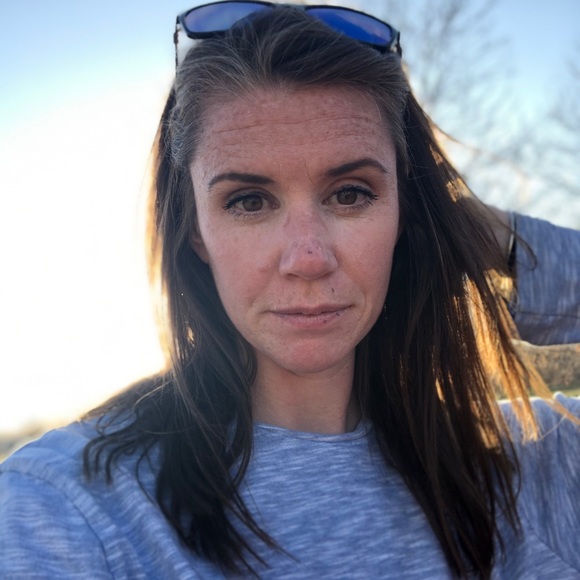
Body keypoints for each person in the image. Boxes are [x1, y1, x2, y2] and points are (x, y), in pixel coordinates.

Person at [1, 3, 579, 578]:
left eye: (350, 194)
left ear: (405, 212)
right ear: (195, 229)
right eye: (249, 201)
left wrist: (497, 241)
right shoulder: (64, 510)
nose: (308, 259)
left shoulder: (534, 463)